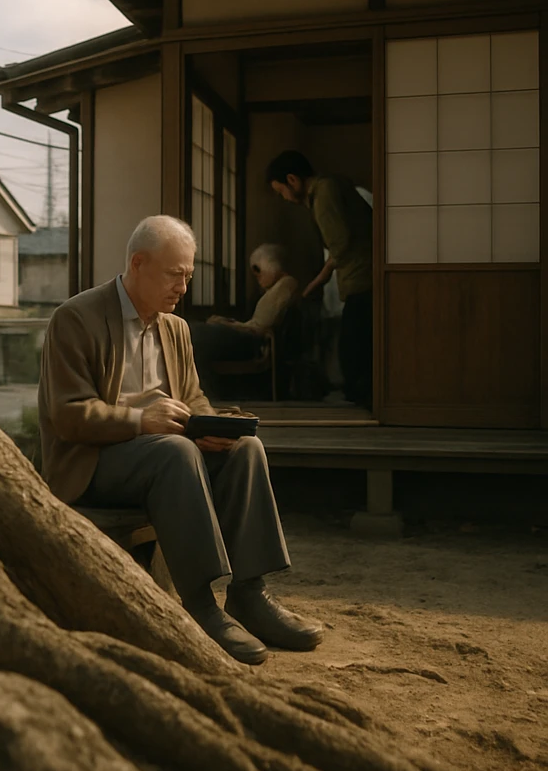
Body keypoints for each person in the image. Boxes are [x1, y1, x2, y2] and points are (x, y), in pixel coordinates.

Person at [37, 215, 323, 664]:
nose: (183, 289)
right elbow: (67, 414)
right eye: (175, 275)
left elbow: (192, 398)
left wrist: (209, 427)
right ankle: (200, 605)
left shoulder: (175, 328)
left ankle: (250, 594)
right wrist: (139, 420)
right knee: (174, 451)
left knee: (245, 449)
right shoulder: (76, 318)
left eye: (188, 277)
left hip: (163, 452)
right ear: (138, 263)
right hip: (92, 461)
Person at [266, 150, 373, 408]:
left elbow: (339, 245)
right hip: (362, 277)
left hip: (363, 278)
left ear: (293, 180)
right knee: (357, 345)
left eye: (281, 191)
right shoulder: (330, 187)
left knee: (353, 352)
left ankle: (360, 406)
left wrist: (316, 283)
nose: (285, 198)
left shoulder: (324, 193)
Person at [190, 243, 299, 385]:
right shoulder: (274, 290)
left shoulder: (286, 284)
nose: (257, 277)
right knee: (193, 332)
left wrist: (231, 325)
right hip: (250, 336)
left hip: (254, 341)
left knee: (196, 333)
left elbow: (259, 328)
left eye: (258, 270)